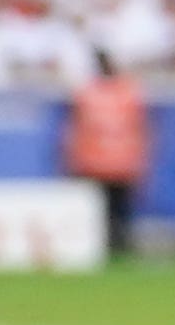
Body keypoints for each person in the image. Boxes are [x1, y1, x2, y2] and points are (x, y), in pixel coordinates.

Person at [63, 56, 149, 255]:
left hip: (98, 161)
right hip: (115, 162)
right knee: (113, 210)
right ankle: (116, 247)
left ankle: (111, 246)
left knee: (108, 210)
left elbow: (75, 128)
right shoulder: (128, 93)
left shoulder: (89, 93)